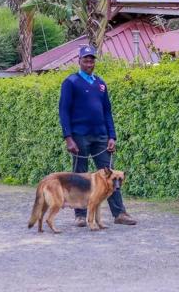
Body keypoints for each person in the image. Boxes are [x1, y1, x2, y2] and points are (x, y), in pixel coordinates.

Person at [59, 45, 136, 227]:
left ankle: (119, 213)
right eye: (85, 59)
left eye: (91, 59)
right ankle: (80, 214)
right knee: (80, 176)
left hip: (101, 136)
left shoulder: (101, 84)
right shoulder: (70, 82)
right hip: (79, 136)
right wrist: (68, 137)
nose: (89, 63)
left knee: (112, 176)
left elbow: (107, 112)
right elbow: (63, 111)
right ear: (79, 61)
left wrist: (112, 136)